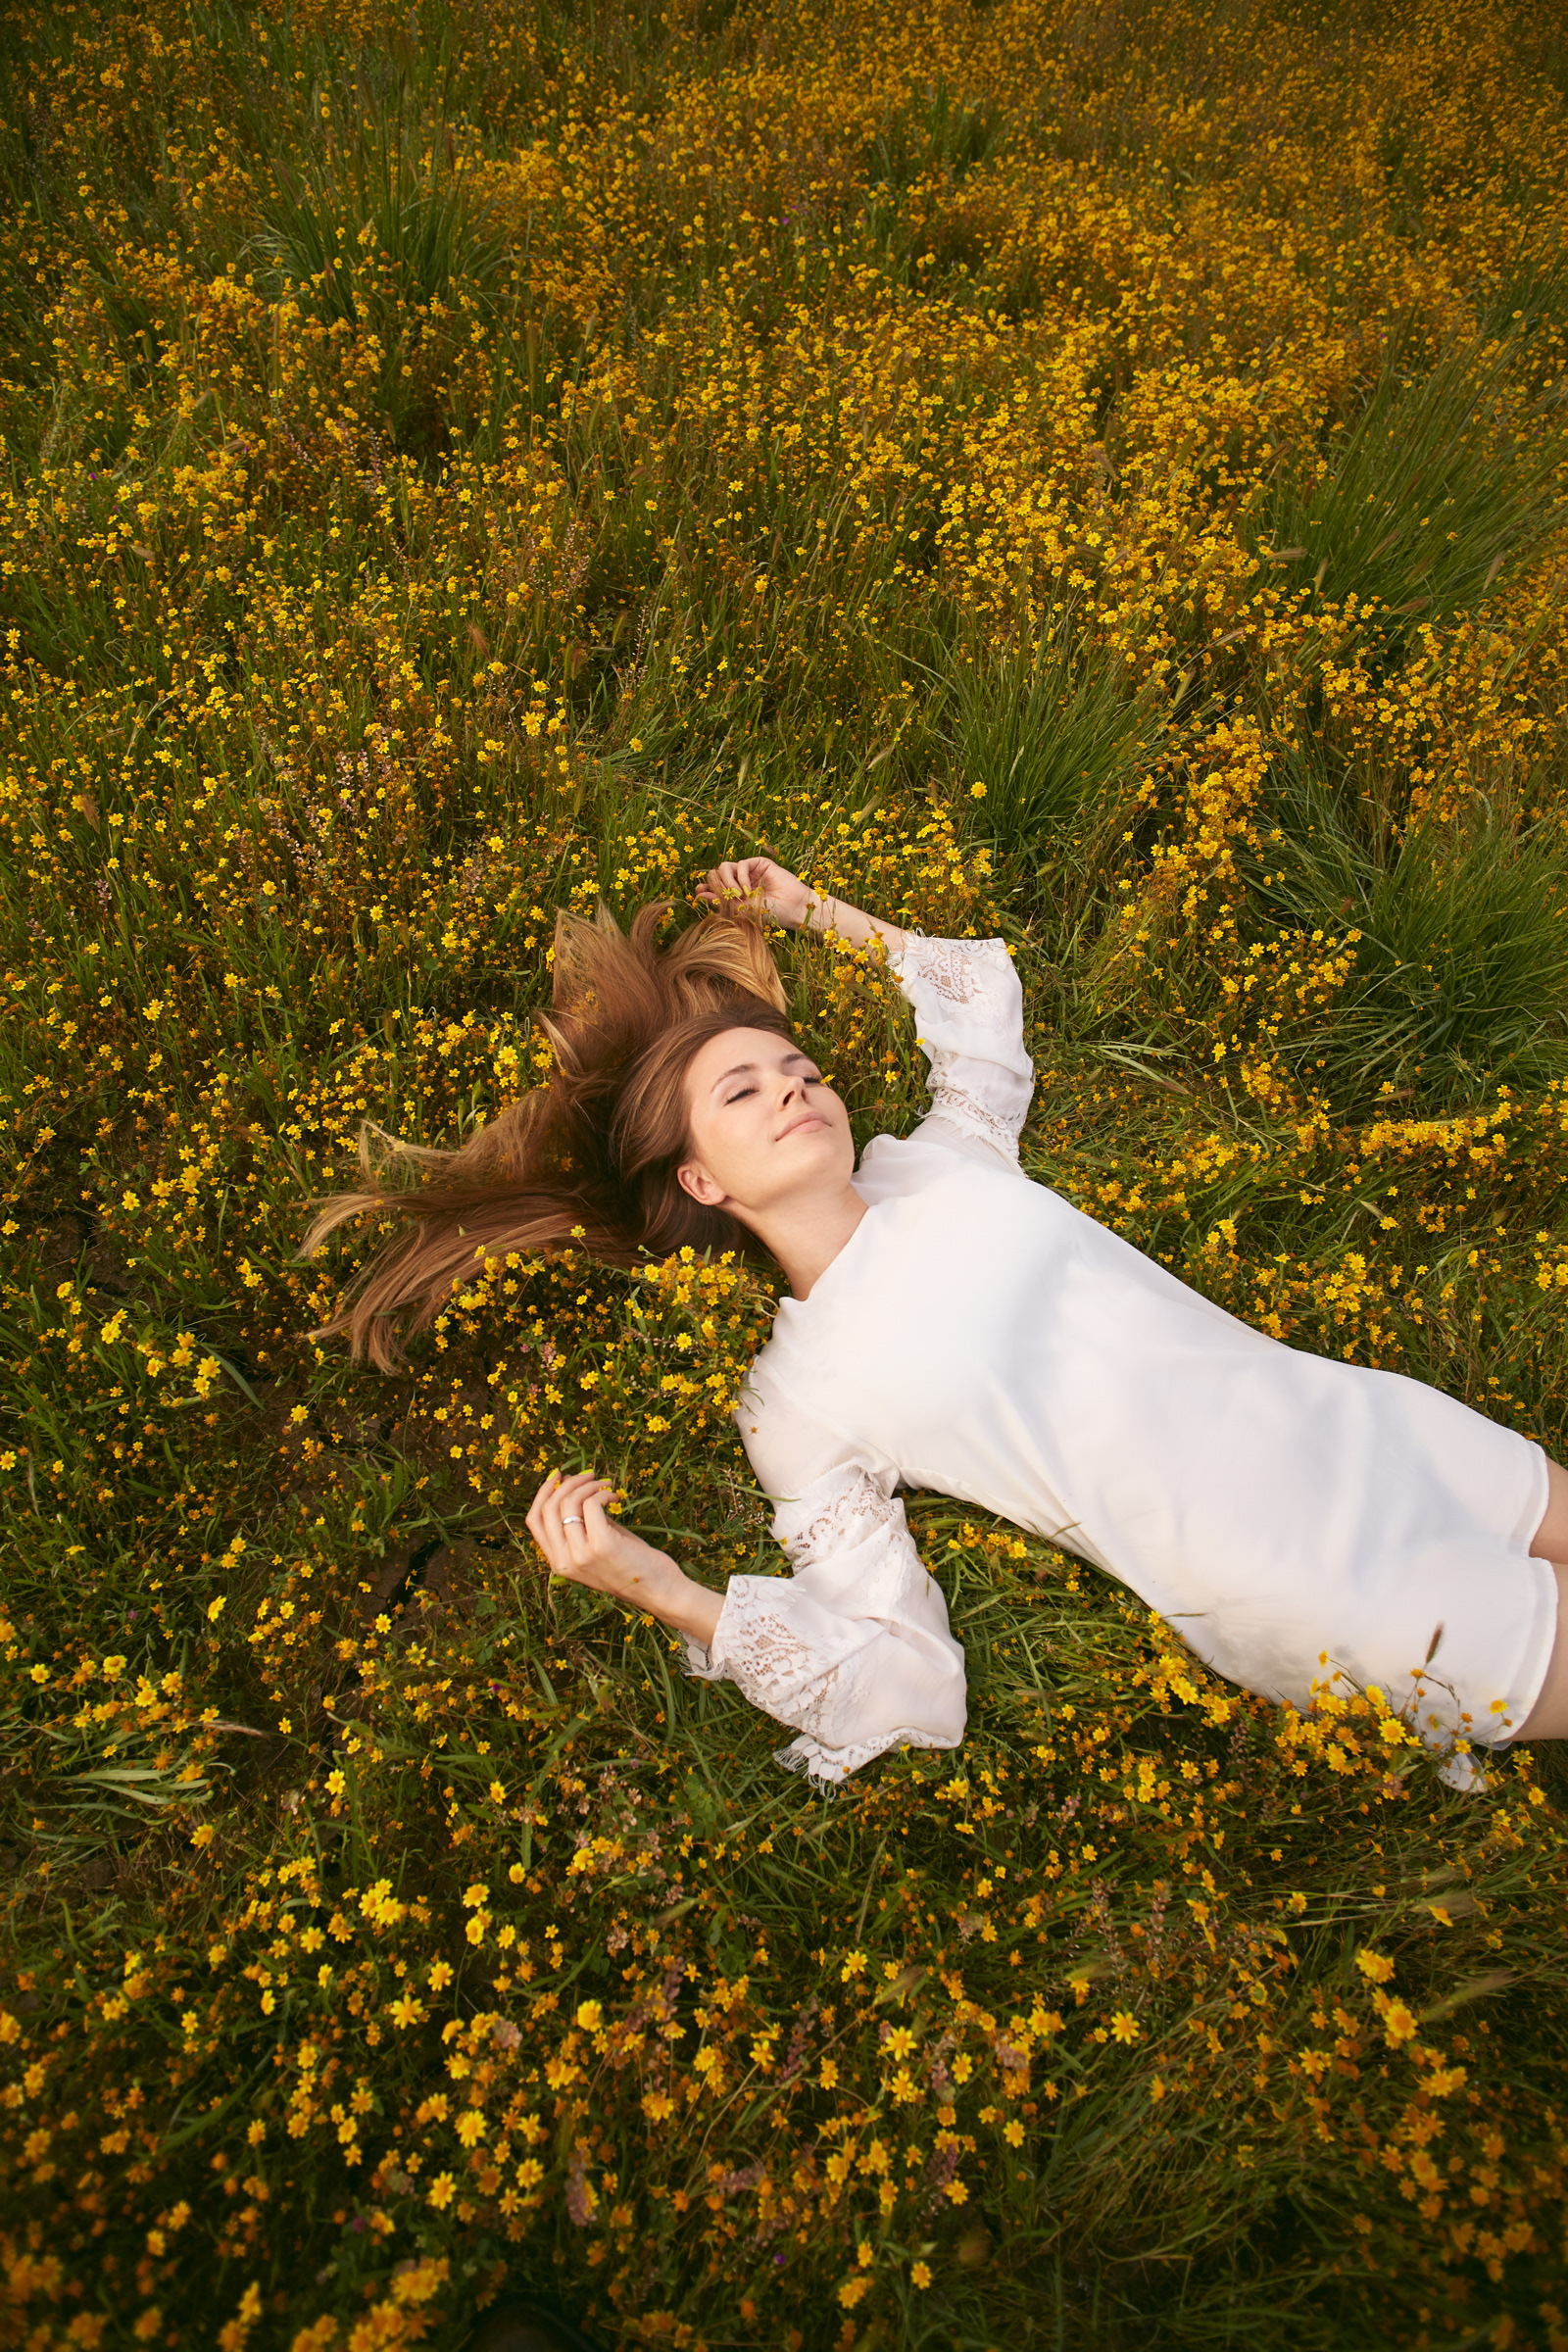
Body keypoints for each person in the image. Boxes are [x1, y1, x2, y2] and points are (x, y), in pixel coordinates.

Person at [302, 858, 1568, 1787]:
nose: (793, 1088)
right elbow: (905, 1678)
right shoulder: (795, 1400)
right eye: (743, 1092)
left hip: (1370, 1426)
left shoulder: (943, 1160)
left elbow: (973, 997)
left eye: (799, 1068)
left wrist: (813, 912)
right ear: (701, 1181)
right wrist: (665, 1591)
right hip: (1304, 1579)